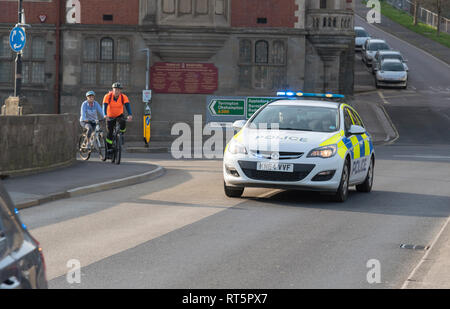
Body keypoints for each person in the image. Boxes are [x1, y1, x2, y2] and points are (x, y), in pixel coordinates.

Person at [103, 82, 132, 155]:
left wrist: (130, 115)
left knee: (123, 122)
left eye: (118, 89)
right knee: (109, 133)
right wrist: (105, 115)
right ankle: (109, 149)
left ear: (120, 91)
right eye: (115, 89)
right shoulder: (107, 96)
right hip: (110, 116)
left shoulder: (123, 97)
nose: (117, 91)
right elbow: (104, 106)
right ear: (112, 89)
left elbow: (127, 106)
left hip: (119, 115)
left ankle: (121, 134)